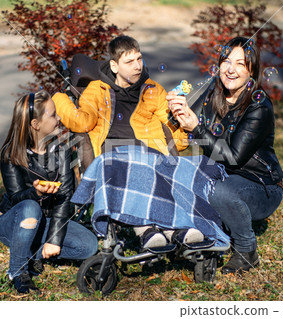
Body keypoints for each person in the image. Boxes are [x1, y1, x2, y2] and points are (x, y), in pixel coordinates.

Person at [52, 35, 203, 249]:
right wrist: (61, 97)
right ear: (114, 66)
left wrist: (181, 122)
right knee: (132, 167)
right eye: (129, 62)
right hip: (114, 156)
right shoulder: (97, 89)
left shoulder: (153, 91)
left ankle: (174, 228)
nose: (138, 66)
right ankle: (147, 230)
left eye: (139, 59)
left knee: (161, 166)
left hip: (149, 154)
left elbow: (176, 143)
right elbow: (81, 122)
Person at [166, 37, 283, 274]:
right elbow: (189, 120)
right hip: (223, 176)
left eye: (241, 64)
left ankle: (246, 249)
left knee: (219, 192)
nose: (231, 70)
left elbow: (234, 158)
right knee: (179, 171)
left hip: (259, 185)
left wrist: (196, 128)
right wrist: (175, 109)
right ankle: (187, 235)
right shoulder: (214, 91)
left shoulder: (258, 106)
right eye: (227, 61)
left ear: (251, 70)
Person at [0, 90, 98, 293]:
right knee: (31, 207)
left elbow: (65, 198)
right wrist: (37, 194)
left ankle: (33, 253)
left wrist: (54, 239)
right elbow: (16, 199)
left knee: (89, 245)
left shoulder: (63, 150)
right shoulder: (11, 154)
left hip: (48, 221)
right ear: (35, 124)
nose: (59, 118)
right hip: (15, 223)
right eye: (53, 115)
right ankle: (17, 270)